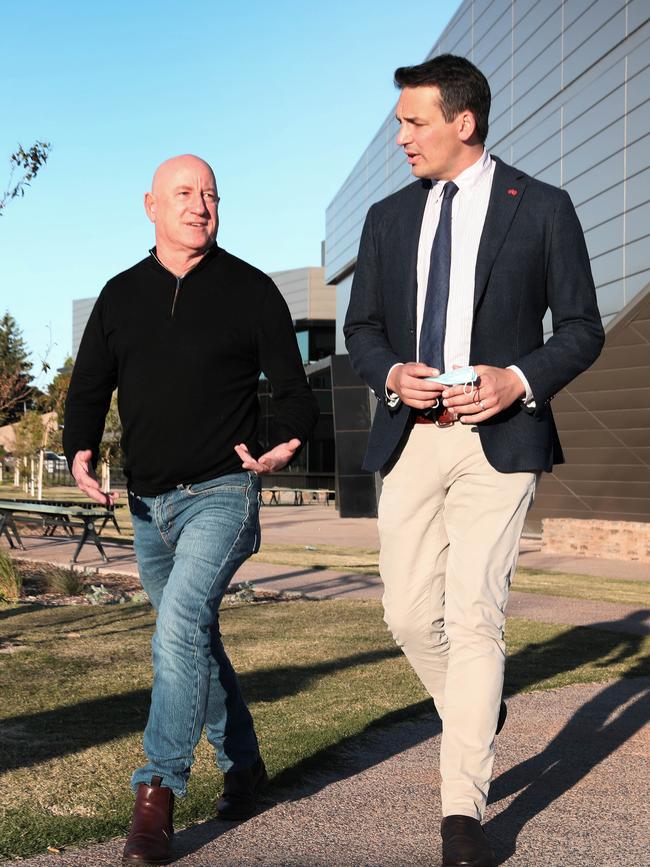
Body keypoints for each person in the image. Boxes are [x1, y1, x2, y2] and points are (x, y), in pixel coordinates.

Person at [344, 55, 604, 867]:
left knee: (478, 615)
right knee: (409, 615)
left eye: (414, 121)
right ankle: (475, 706)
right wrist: (390, 371)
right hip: (412, 435)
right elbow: (362, 329)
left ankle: (463, 812)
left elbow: (583, 326)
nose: (401, 137)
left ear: (464, 121)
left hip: (502, 438)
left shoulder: (545, 208)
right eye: (399, 121)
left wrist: (516, 378)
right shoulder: (388, 218)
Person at [64, 154, 319, 865]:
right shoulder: (119, 296)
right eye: (184, 193)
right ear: (150, 204)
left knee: (177, 627)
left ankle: (156, 793)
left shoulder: (250, 290)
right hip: (147, 507)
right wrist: (79, 449)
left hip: (222, 494)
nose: (200, 204)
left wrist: (284, 443)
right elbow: (88, 389)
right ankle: (245, 764)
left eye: (210, 194)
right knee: (196, 639)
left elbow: (295, 392)